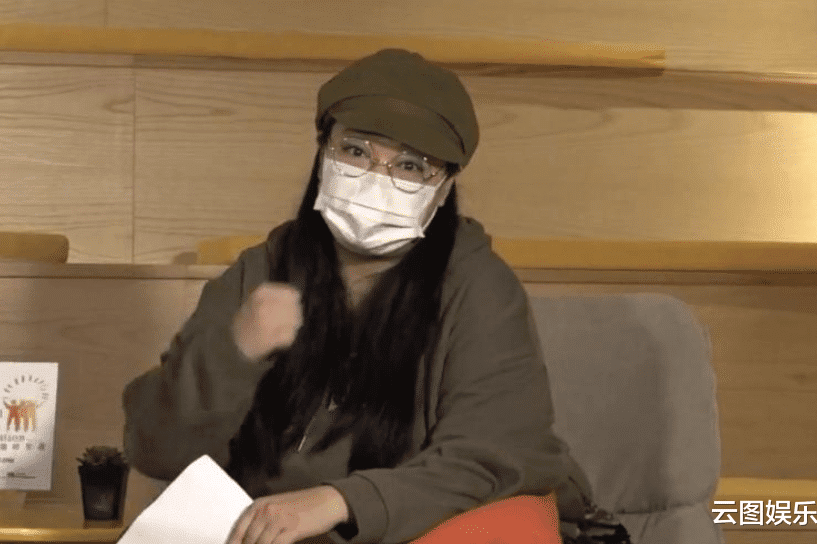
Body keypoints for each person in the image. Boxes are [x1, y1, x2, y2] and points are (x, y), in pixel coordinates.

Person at [122, 48, 593, 544]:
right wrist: (231, 353)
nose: (376, 179)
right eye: (356, 151)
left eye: (410, 166)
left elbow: (493, 455)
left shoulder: (479, 288)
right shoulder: (261, 273)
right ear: (323, 152)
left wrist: (340, 502)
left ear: (443, 187)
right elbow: (156, 451)